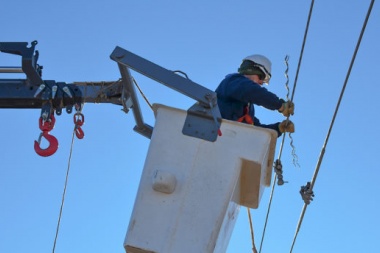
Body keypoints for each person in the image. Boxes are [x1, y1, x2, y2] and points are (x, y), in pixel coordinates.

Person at [215, 54, 295, 137]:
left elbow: (256, 130)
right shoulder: (233, 82)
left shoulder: (247, 107)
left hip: (228, 141)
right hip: (214, 135)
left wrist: (278, 128)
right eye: (262, 77)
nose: (261, 83)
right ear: (252, 70)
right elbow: (254, 92)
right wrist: (280, 105)